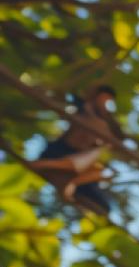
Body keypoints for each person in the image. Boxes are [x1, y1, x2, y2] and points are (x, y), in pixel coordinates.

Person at [30, 84, 121, 213]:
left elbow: (113, 143)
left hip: (76, 173)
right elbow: (56, 99)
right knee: (96, 154)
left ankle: (71, 184)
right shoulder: (83, 106)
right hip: (59, 153)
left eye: (108, 101)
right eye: (103, 99)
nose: (104, 103)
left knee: (105, 200)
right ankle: (46, 165)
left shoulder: (107, 123)